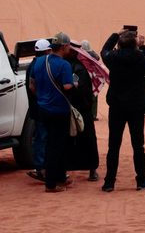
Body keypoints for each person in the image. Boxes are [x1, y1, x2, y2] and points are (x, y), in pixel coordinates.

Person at [100, 28, 145, 192]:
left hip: (117, 106)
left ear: (119, 45)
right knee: (138, 145)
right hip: (136, 106)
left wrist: (115, 34)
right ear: (135, 45)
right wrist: (144, 47)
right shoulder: (140, 58)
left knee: (114, 145)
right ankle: (141, 180)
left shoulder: (113, 58)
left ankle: (109, 182)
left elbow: (104, 50)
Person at [29, 32, 76, 193]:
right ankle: (51, 183)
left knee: (53, 143)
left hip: (42, 109)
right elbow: (68, 87)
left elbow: (32, 86)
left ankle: (61, 178)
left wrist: (42, 98)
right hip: (59, 110)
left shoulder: (40, 61)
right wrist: (77, 86)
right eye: (68, 46)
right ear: (64, 47)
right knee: (56, 146)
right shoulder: (64, 65)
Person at [65, 42, 100, 182]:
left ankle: (92, 169)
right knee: (69, 139)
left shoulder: (80, 68)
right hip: (69, 108)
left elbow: (79, 89)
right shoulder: (66, 65)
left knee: (88, 139)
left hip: (82, 109)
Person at [25, 39, 51, 181]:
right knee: (42, 138)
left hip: (36, 107)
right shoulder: (38, 66)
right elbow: (32, 87)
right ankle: (41, 168)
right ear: (47, 51)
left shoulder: (33, 65)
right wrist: (43, 98)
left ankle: (40, 167)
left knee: (41, 137)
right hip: (40, 107)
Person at [82, 40, 101, 121]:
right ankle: (93, 114)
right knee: (93, 97)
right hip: (91, 78)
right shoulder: (91, 54)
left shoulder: (80, 54)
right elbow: (97, 57)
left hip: (86, 78)